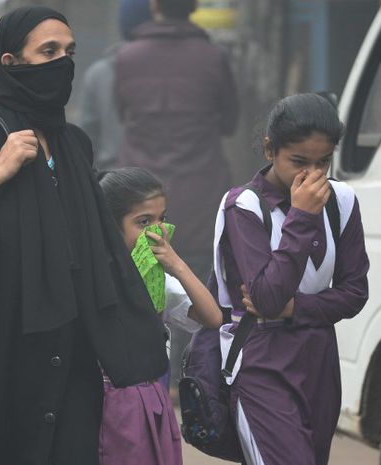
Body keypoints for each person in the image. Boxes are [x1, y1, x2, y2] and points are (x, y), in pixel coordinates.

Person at [0, 7, 168, 465]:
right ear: (9, 62)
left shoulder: (72, 144)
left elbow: (92, 237)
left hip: (65, 349)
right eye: (48, 51)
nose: (63, 62)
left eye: (69, 51)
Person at [213, 94, 369, 465]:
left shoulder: (342, 200)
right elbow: (266, 299)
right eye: (298, 162)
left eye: (324, 162)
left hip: (318, 360)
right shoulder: (244, 206)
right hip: (261, 360)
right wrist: (300, 216)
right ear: (270, 149)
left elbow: (355, 293)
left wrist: (296, 307)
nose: (312, 175)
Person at [115, 0, 239, 386]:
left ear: (153, 6)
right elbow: (231, 121)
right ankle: (190, 378)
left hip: (138, 192)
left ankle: (150, 375)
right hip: (200, 187)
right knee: (194, 279)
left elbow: (122, 114)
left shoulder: (128, 57)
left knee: (137, 275)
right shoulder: (213, 57)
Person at [98, 167, 223, 465]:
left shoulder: (157, 280)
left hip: (153, 401)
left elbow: (212, 317)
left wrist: (177, 264)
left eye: (161, 219)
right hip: (108, 408)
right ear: (110, 227)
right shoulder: (96, 281)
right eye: (143, 222)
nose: (157, 231)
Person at [77, 0, 152, 170]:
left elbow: (87, 139)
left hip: (113, 179)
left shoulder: (100, 72)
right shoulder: (182, 68)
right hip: (172, 181)